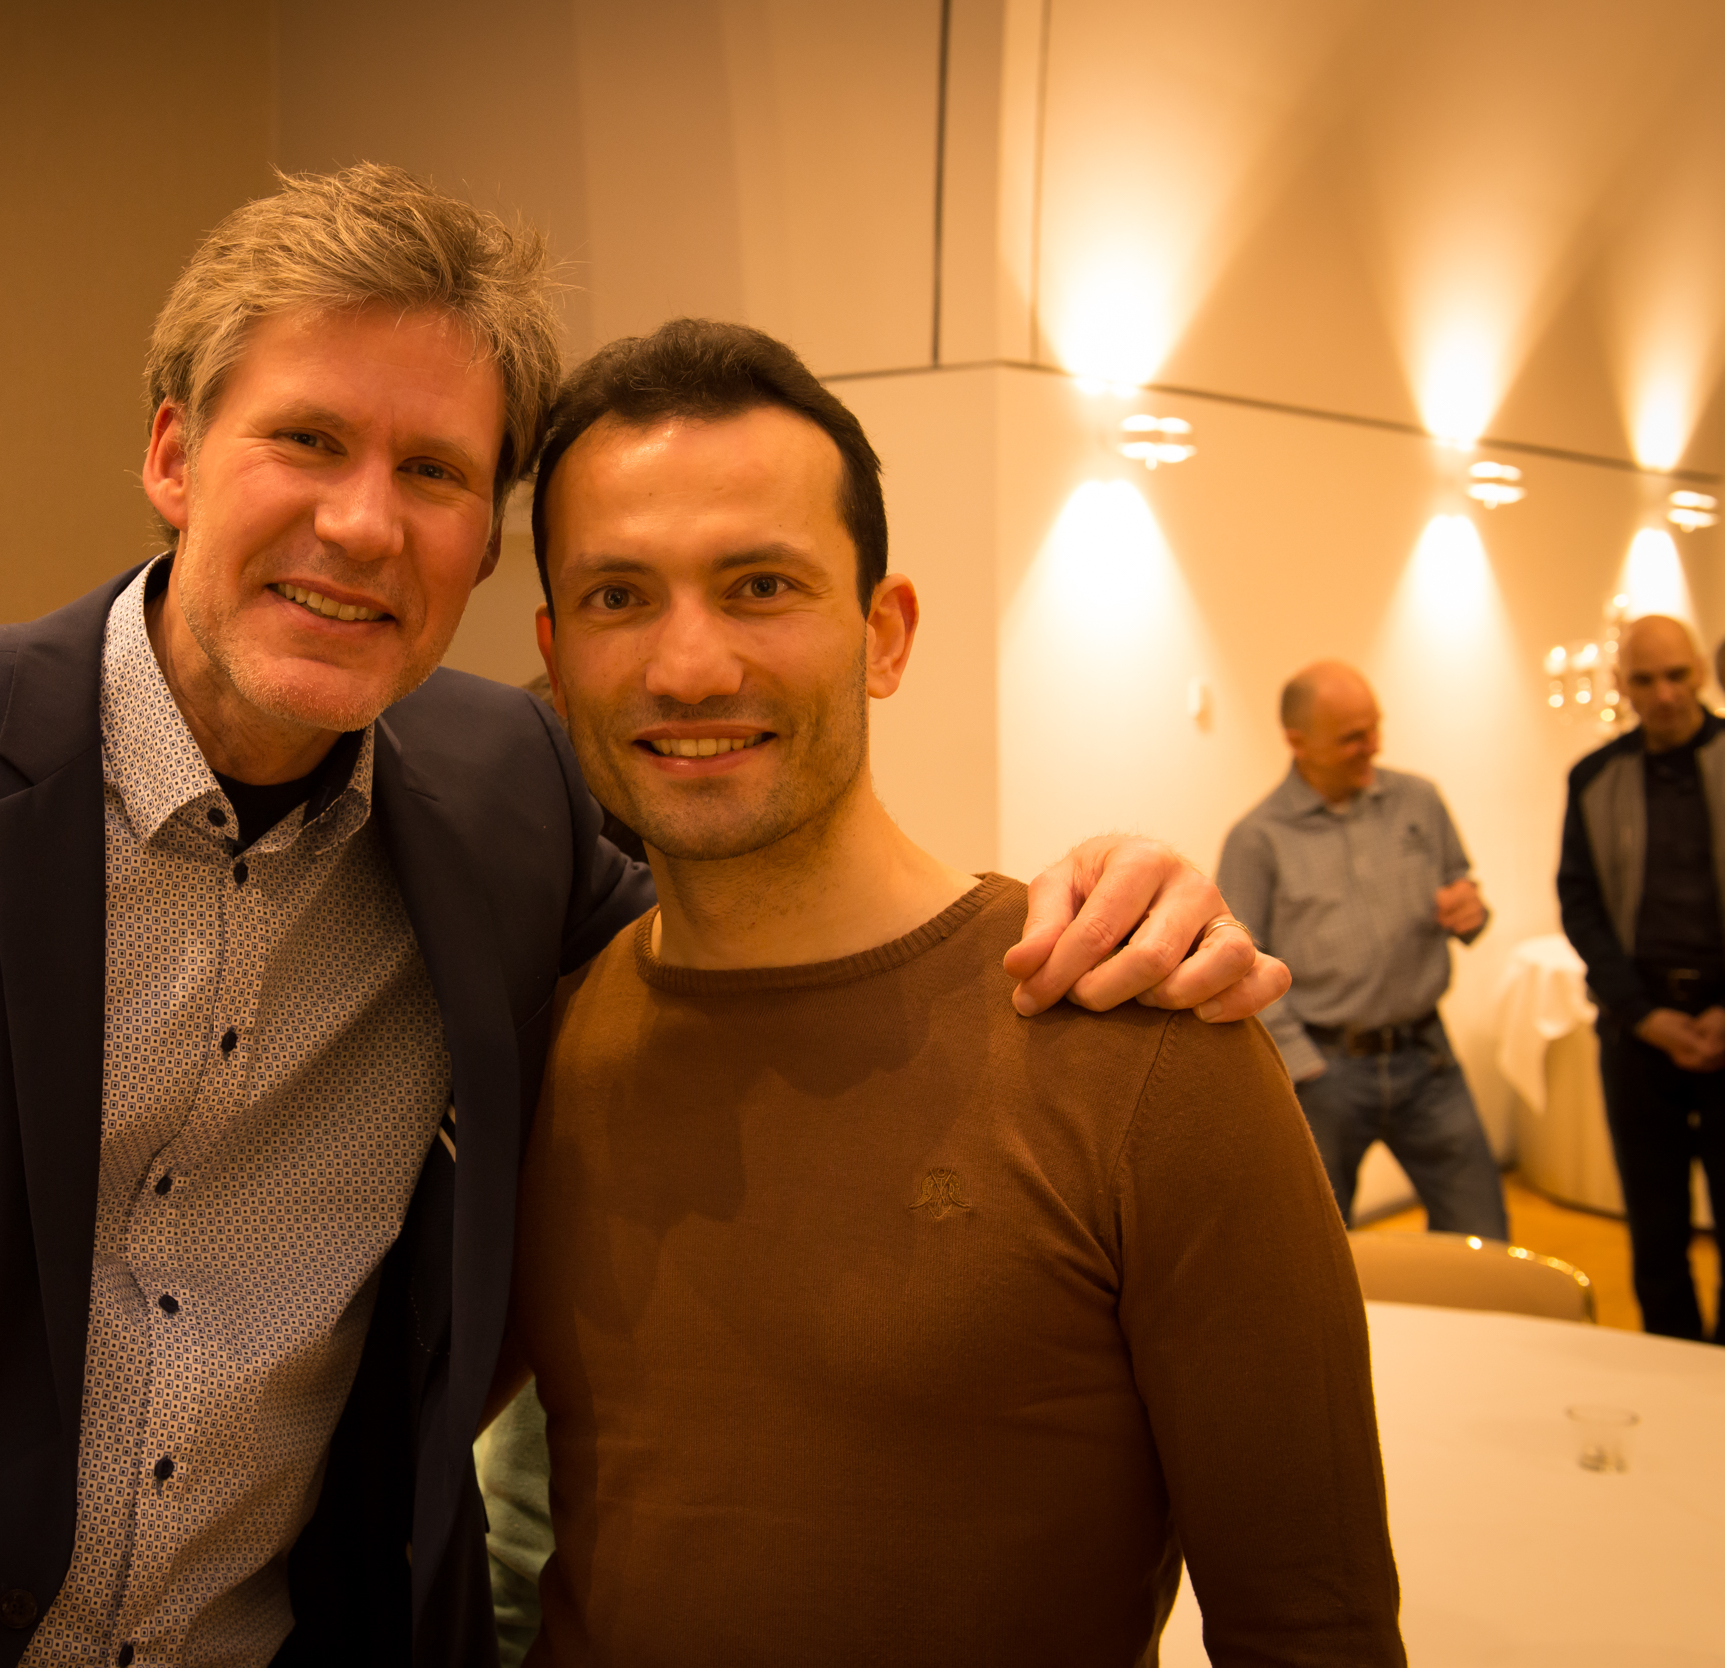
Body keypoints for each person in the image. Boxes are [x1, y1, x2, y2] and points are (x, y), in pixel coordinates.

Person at [0, 168, 1286, 1667]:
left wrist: (1098, 898)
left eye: (437, 474)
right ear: (174, 454)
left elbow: (768, 927)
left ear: (487, 549)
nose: (365, 525)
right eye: (308, 440)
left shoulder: (508, 798)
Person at [488, 318, 1399, 1665]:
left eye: (759, 586)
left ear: (885, 634)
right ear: (558, 660)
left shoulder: (1141, 1048)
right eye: (619, 597)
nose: (688, 668)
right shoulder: (543, 1046)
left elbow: (1313, 1629)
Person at [1216, 662, 1509, 1237]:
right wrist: (1304, 1066)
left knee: (1483, 1233)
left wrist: (1470, 911)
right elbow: (1238, 963)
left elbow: (1463, 892)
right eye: (1352, 737)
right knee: (1318, 1248)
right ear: (1297, 742)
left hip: (1428, 1057)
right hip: (1327, 1072)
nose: (1372, 746)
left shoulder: (1419, 801)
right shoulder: (1257, 839)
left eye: (1374, 728)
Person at [1557, 614, 1725, 1342]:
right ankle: (1672, 1366)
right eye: (1646, 680)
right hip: (1639, 1034)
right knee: (1655, 1230)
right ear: (1621, 686)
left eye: (1677, 675)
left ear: (1701, 673)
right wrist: (1643, 1014)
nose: (1665, 695)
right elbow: (1580, 903)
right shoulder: (1595, 778)